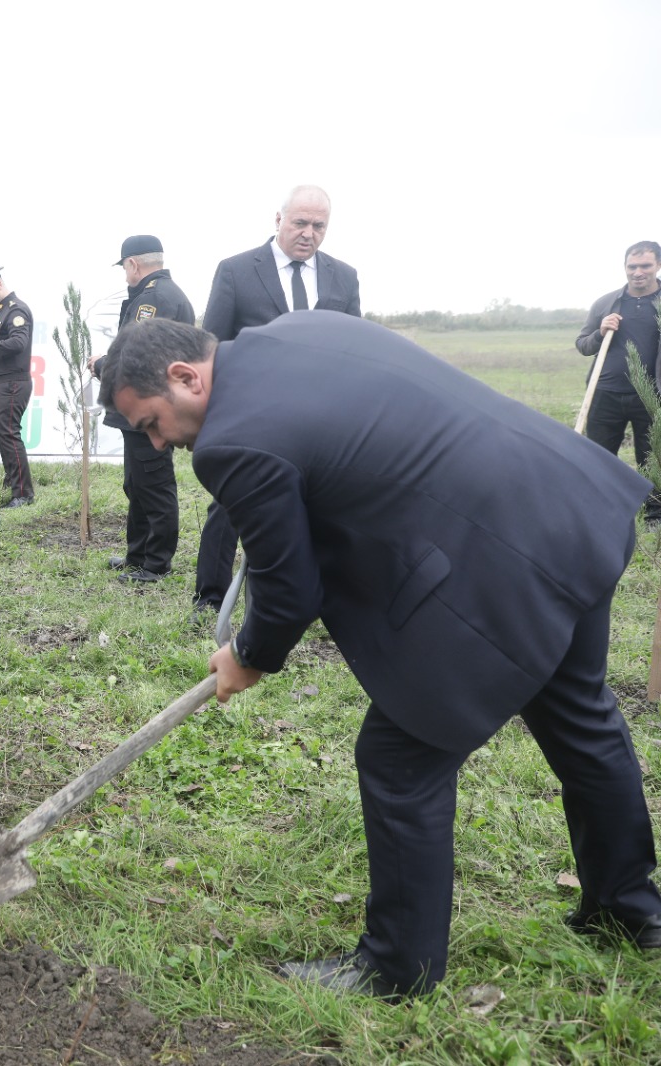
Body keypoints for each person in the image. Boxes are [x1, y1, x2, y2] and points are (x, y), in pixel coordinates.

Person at [99, 313, 661, 999]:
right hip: (570, 500)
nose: (158, 444)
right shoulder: (297, 330)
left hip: (498, 557)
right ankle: (630, 909)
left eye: (152, 423)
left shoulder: (231, 440)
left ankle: (397, 968)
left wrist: (248, 655)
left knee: (398, 762)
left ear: (186, 377)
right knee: (579, 714)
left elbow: (288, 588)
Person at [192, 185, 361, 615]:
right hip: (252, 412)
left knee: (318, 504)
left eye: (319, 226)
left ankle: (315, 596)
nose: (309, 233)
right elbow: (212, 344)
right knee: (230, 501)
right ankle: (210, 596)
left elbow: (356, 348)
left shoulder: (344, 276)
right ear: (279, 220)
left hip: (321, 417)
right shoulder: (236, 270)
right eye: (300, 223)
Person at [98, 235, 194, 582]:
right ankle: (137, 556)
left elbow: (138, 355)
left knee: (154, 486)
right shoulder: (164, 294)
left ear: (133, 264)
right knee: (137, 485)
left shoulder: (154, 298)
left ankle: (156, 564)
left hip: (151, 408)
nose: (125, 274)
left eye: (125, 268)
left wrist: (101, 365)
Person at [576, 240, 661, 525]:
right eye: (632, 266)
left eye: (645, 265)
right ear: (625, 267)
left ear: (658, 265)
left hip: (651, 396)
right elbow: (583, 345)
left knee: (652, 457)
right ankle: (600, 509)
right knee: (599, 456)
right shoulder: (606, 303)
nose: (638, 272)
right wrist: (600, 332)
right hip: (605, 394)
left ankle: (654, 515)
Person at [0, 267, 34, 507]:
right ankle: (12, 481)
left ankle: (23, 493)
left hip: (13, 382)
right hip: (2, 381)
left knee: (8, 432)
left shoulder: (15, 309)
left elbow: (18, 342)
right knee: (2, 433)